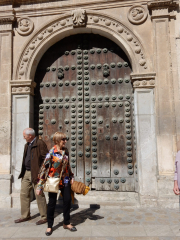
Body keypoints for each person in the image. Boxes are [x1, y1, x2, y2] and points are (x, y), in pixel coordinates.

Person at [36, 132, 77, 236]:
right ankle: (50, 226)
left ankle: (66, 223)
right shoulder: (51, 153)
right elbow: (44, 169)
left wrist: (71, 176)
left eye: (65, 139)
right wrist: (40, 185)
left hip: (65, 179)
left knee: (67, 200)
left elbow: (67, 166)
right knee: (52, 203)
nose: (65, 141)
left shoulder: (65, 151)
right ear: (57, 141)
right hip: (53, 180)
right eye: (63, 139)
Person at [15, 128, 48, 225]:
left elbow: (46, 159)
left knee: (39, 194)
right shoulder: (27, 144)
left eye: (24, 136)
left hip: (36, 173)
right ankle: (25, 215)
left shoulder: (40, 143)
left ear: (30, 136)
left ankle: (44, 217)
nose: (23, 137)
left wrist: (40, 172)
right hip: (26, 173)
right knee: (23, 194)